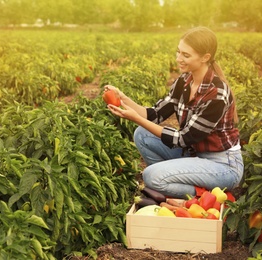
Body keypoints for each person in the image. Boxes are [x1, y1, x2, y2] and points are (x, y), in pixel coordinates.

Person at [104, 26, 243, 199]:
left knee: (150, 176)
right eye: (178, 52)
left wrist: (135, 118)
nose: (178, 59)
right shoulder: (184, 81)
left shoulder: (216, 94)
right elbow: (154, 114)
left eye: (186, 55)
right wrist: (123, 98)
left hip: (222, 165)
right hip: (195, 154)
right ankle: (170, 184)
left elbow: (183, 139)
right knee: (142, 134)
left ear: (205, 57)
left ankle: (204, 193)